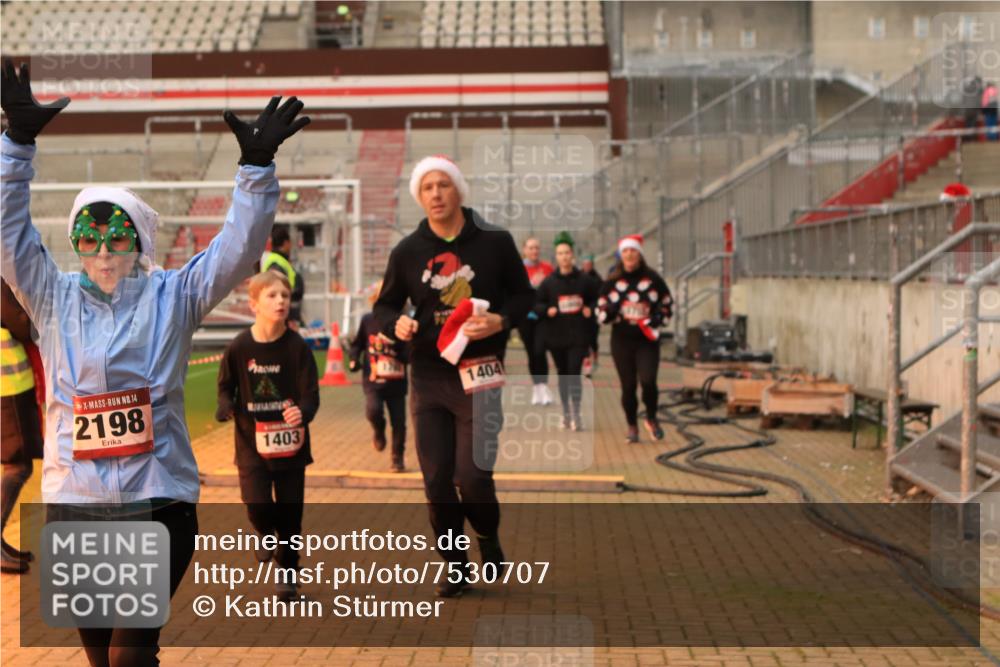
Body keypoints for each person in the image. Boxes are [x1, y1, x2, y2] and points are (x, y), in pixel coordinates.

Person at [0, 58, 309, 666]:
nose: (104, 247)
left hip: (156, 500)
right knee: (101, 659)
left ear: (138, 241)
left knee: (127, 655)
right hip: (74, 502)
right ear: (76, 242)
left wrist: (254, 170)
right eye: (89, 235)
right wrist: (16, 146)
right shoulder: (51, 295)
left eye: (118, 235)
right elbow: (7, 235)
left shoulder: (176, 294)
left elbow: (237, 249)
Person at [374, 155, 533, 598]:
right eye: (427, 188)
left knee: (474, 476)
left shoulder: (494, 242)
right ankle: (456, 564)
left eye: (444, 185)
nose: (436, 194)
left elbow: (524, 295)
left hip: (479, 373)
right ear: (419, 197)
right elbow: (384, 306)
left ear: (459, 190)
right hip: (427, 376)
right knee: (438, 480)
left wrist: (501, 321)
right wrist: (396, 324)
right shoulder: (407, 251)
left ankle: (487, 537)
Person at [216, 271, 320, 599]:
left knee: (290, 514)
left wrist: (301, 412)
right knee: (257, 503)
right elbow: (225, 387)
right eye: (272, 296)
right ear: (253, 304)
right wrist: (225, 407)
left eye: (285, 297)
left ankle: (288, 577)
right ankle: (264, 533)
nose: (280, 302)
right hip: (250, 441)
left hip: (290, 443)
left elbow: (311, 395)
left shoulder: (297, 347)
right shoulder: (240, 346)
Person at [597, 234, 673, 444]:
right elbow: (601, 310)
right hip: (622, 340)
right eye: (626, 251)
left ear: (639, 254)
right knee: (628, 386)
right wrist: (610, 311)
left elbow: (666, 304)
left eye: (633, 251)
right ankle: (632, 425)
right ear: (621, 255)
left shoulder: (653, 279)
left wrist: (658, 317)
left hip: (646, 339)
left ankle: (651, 417)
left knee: (648, 381)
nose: (629, 254)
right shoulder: (613, 281)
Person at [533, 233, 598, 431]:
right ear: (556, 256)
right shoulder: (549, 282)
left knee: (574, 374)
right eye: (560, 253)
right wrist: (546, 310)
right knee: (563, 375)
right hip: (557, 336)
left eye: (567, 252)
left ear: (573, 255)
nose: (564, 256)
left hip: (579, 336)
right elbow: (536, 303)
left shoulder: (585, 280)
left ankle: (576, 414)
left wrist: (590, 308)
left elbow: (598, 298)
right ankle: (566, 413)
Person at [1, 279, 44, 574]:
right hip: (9, 386)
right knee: (18, 466)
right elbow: (21, 324)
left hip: (8, 386)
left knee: (15, 465)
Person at [349, 281, 408, 472]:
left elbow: (410, 354)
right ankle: (379, 430)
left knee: (399, 422)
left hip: (396, 382)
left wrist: (397, 349)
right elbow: (357, 344)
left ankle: (397, 457)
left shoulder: (404, 323)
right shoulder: (368, 320)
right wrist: (353, 359)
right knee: (373, 410)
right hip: (373, 380)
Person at [519, 237, 554, 405]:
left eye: (537, 248)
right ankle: (537, 388)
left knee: (540, 351)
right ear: (524, 250)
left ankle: (544, 386)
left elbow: (553, 291)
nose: (534, 251)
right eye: (531, 248)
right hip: (525, 318)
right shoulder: (518, 269)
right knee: (531, 353)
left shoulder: (547, 268)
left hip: (543, 318)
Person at [261, 225, 305, 329]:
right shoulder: (276, 263)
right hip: (283, 318)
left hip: (287, 316)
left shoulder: (281, 261)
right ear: (286, 243)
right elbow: (277, 293)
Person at [580, 253, 602, 374]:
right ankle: (586, 364)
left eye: (589, 264)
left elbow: (600, 298)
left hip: (593, 315)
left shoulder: (597, 279)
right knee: (584, 340)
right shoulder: (578, 276)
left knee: (593, 340)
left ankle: (595, 358)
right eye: (585, 264)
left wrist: (592, 308)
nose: (587, 266)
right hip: (581, 315)